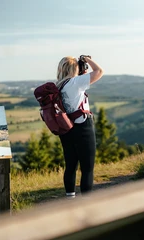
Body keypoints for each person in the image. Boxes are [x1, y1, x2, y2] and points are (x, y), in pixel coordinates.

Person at [55, 55, 104, 199]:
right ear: (74, 68)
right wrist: (86, 59)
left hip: (66, 128)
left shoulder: (59, 85)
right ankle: (86, 202)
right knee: (87, 167)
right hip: (83, 126)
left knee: (70, 165)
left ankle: (70, 198)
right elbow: (99, 71)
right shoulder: (75, 82)